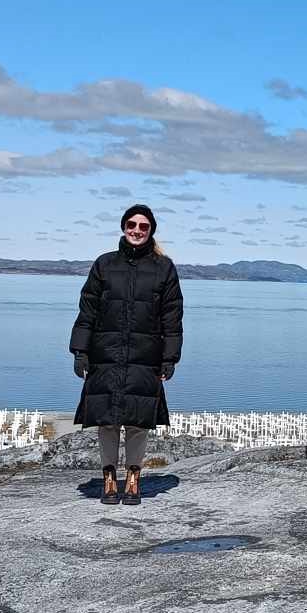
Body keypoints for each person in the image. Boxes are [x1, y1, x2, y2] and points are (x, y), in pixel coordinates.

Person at [70, 203, 183, 503]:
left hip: (145, 356)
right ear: (123, 227)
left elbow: (172, 317)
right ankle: (109, 478)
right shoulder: (104, 264)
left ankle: (133, 479)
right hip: (105, 354)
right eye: (132, 225)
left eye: (143, 226)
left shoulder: (164, 268)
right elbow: (87, 311)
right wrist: (80, 350)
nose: (136, 230)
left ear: (151, 231)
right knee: (107, 420)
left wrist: (169, 357)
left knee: (137, 421)